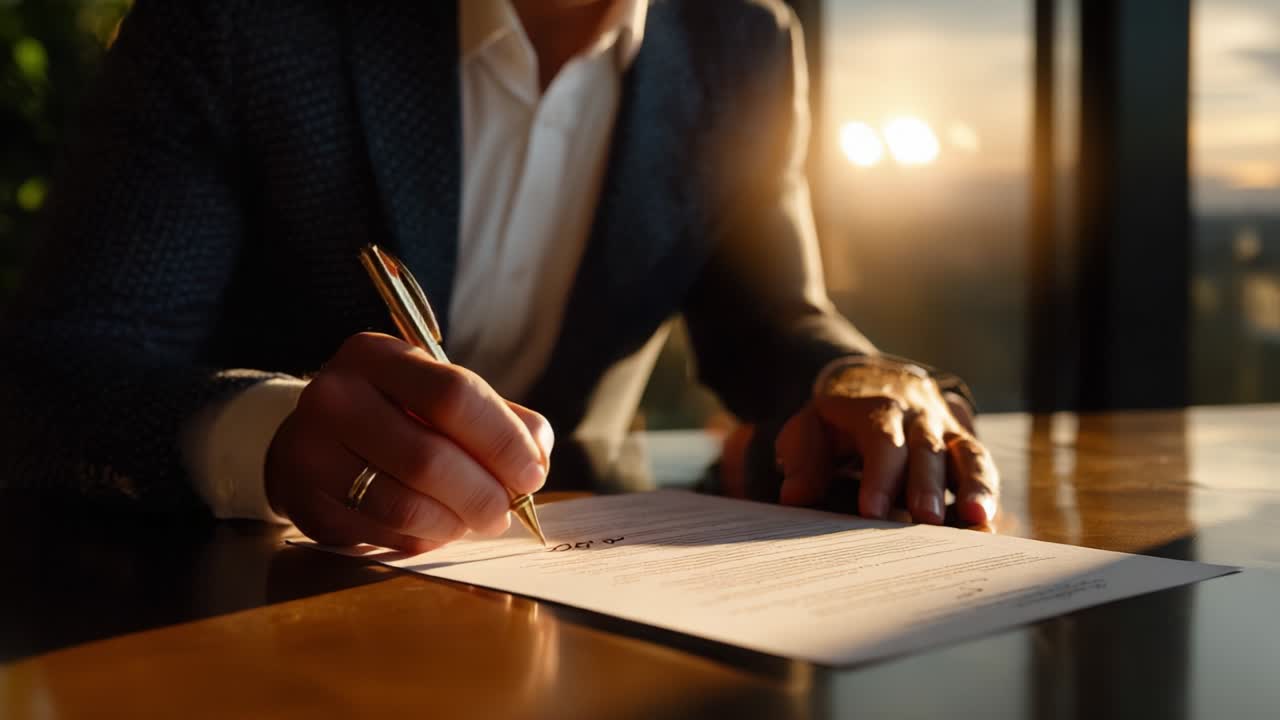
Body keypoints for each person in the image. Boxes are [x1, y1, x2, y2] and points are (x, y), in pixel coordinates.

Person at [0, 0, 998, 554]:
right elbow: (58, 374)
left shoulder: (741, 42)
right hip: (239, 606)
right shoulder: (244, 24)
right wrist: (266, 440)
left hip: (600, 599)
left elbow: (773, 322)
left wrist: (858, 381)